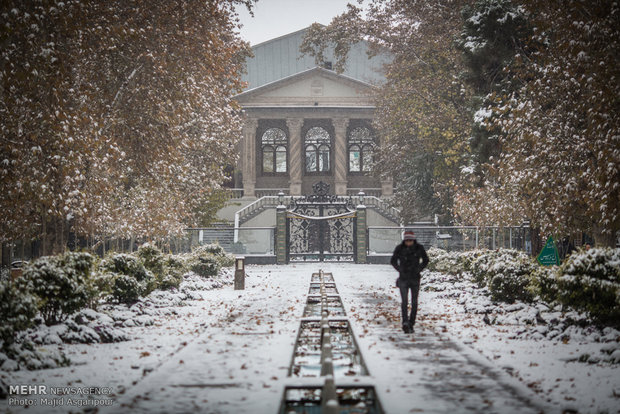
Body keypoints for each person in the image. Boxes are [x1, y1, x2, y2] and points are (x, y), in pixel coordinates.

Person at [390, 230, 429, 333]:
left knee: (414, 302)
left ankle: (411, 323)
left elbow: (426, 260)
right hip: (403, 278)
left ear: (413, 240)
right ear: (404, 240)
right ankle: (405, 322)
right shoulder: (400, 248)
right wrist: (400, 269)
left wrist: (419, 268)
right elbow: (393, 261)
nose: (409, 242)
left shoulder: (419, 248)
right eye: (407, 241)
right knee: (404, 301)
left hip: (415, 278)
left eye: (410, 240)